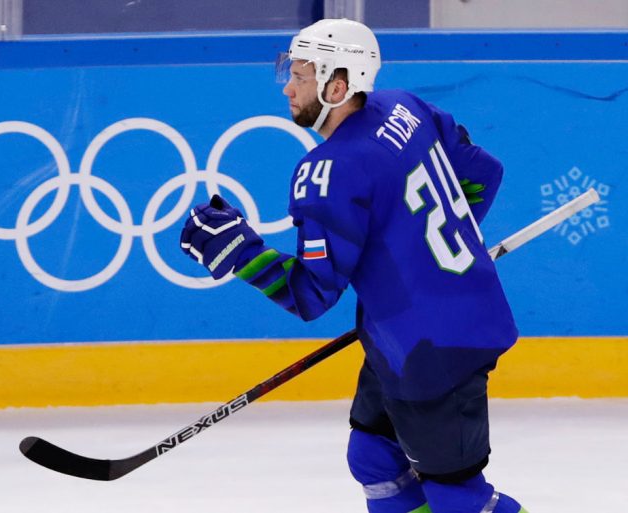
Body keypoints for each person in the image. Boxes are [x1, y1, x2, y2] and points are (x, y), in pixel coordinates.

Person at [181, 18, 527, 513]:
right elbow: (483, 174)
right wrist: (437, 259)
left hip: (432, 351)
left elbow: (310, 295)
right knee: (374, 458)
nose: (288, 88)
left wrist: (239, 252)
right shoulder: (405, 107)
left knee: (456, 496)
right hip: (408, 336)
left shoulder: (329, 172)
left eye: (300, 76)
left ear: (336, 86)